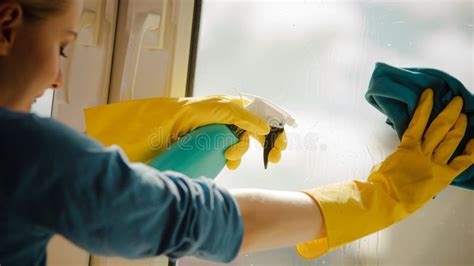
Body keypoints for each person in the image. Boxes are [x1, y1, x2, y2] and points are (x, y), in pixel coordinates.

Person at [0, 0, 472, 265]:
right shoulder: (24, 152)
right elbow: (193, 218)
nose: (57, 79)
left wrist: (149, 128)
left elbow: (64, 191)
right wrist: (382, 195)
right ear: (8, 25)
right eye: (63, 48)